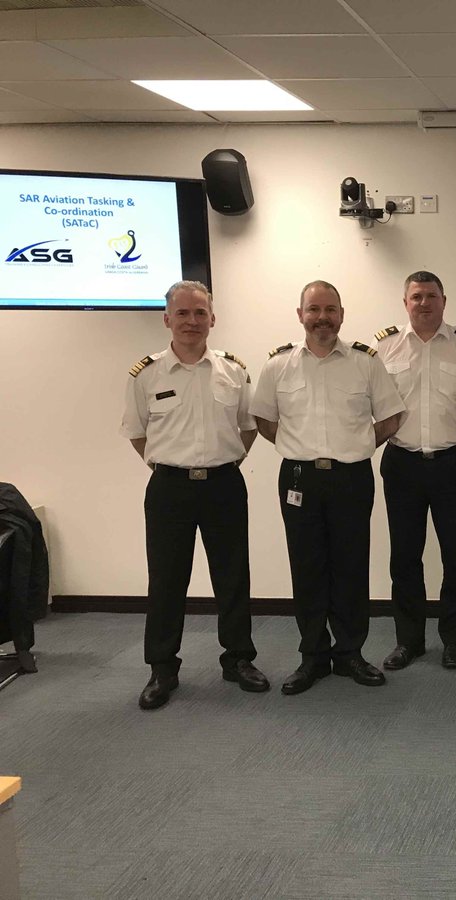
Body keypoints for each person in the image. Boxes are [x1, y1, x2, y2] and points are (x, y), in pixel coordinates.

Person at [120, 280, 266, 710]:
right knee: (167, 579)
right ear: (167, 319)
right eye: (182, 313)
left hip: (223, 483)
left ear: (213, 319)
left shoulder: (234, 371)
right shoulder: (145, 374)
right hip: (169, 488)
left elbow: (248, 427)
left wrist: (222, 464)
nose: (191, 321)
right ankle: (162, 668)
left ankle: (238, 658)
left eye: (200, 313)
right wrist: (170, 467)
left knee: (232, 576)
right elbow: (137, 433)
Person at [252, 280, 403, 695]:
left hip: (351, 477)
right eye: (314, 309)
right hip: (299, 478)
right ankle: (313, 657)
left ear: (342, 314)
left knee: (352, 566)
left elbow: (391, 417)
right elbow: (263, 420)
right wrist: (298, 448)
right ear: (300, 314)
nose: (322, 317)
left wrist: (354, 448)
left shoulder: (365, 362)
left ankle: (350, 653)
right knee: (307, 567)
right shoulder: (278, 365)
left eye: (330, 309)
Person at [374, 271, 456, 671]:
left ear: (444, 301)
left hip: (452, 462)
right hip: (402, 463)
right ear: (405, 303)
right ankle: (409, 640)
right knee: (404, 557)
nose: (424, 303)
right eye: (416, 296)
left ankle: (454, 640)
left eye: (431, 296)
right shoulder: (384, 349)